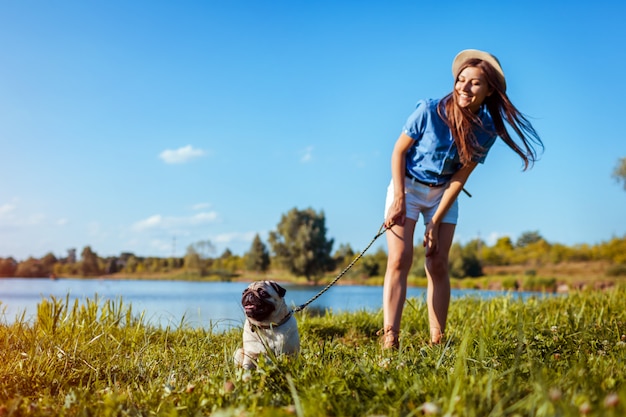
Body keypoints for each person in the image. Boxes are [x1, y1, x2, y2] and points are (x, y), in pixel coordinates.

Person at [381, 49, 543, 348]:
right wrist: (399, 199)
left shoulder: (487, 130)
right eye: (461, 80)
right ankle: (390, 337)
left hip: (444, 192)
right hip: (408, 185)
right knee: (400, 259)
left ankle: (437, 339)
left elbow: (460, 177)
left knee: (438, 262)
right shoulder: (429, 110)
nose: (464, 87)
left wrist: (436, 221)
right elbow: (398, 151)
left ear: (490, 90)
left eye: (475, 83)